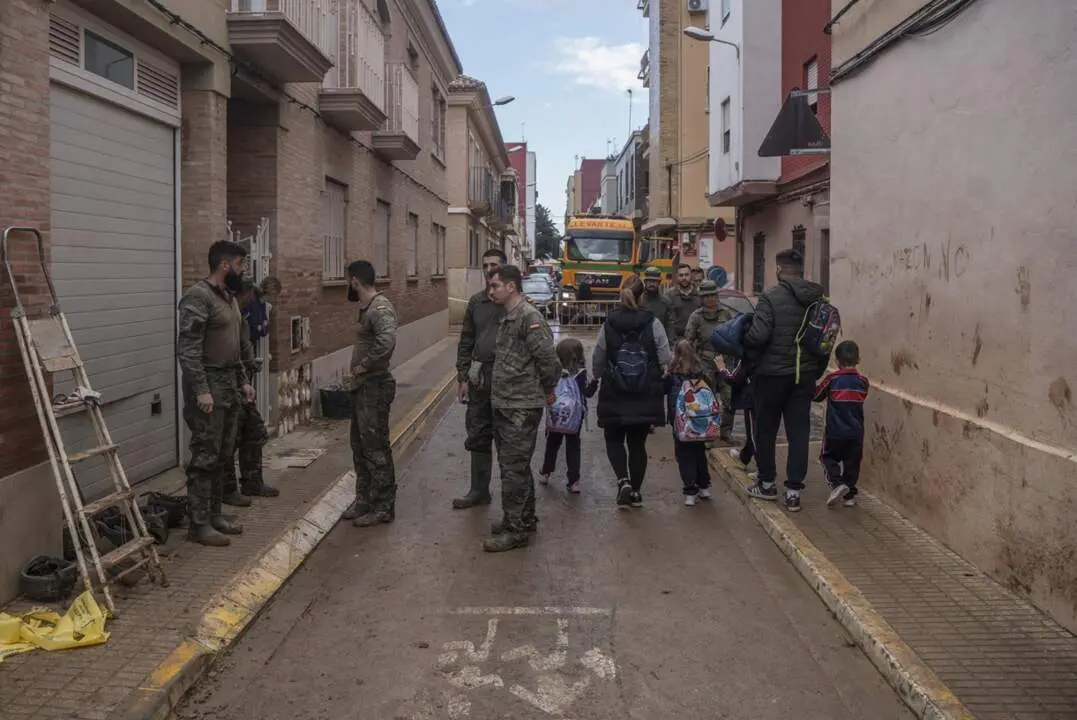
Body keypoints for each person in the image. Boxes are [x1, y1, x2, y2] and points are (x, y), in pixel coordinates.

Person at [177, 240, 255, 547]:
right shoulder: (197, 297)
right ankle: (198, 524)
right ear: (225, 265)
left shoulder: (229, 297)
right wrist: (201, 390)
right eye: (240, 264)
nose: (242, 269)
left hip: (229, 383)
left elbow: (235, 345)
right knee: (205, 456)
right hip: (208, 384)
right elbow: (188, 350)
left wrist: (244, 380)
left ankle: (215, 515)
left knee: (224, 454)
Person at [484, 265, 562, 552]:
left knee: (512, 470)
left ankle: (515, 531)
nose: (491, 291)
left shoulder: (529, 317)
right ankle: (523, 518)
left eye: (495, 286)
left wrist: (549, 390)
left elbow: (548, 360)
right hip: (506, 403)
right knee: (514, 466)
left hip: (520, 406)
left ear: (511, 287)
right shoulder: (509, 317)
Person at [742, 249, 827, 512]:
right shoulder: (817, 298)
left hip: (772, 376)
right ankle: (793, 491)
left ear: (779, 270)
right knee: (799, 433)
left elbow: (758, 336)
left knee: (766, 430)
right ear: (800, 270)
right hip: (804, 376)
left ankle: (767, 483)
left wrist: (744, 335)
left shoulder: (770, 297)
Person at [592, 281, 671, 509]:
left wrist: (596, 377)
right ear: (642, 298)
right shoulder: (652, 322)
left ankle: (622, 480)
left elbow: (598, 354)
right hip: (644, 391)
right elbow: (665, 355)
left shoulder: (609, 323)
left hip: (614, 391)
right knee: (638, 444)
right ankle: (635, 492)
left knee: (613, 439)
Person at [342, 260, 399, 527]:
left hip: (374, 386)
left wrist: (362, 368)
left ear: (355, 280)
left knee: (375, 448)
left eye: (348, 281)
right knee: (359, 446)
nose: (347, 286)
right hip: (362, 387)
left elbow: (386, 344)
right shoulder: (366, 309)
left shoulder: (381, 308)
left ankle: (382, 506)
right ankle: (363, 499)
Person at [452, 248, 507, 510]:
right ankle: (478, 491)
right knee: (478, 434)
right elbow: (466, 340)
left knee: (509, 440)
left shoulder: (513, 302)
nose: (488, 270)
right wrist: (463, 376)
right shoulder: (476, 303)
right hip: (479, 381)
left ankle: (513, 502)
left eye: (493, 265)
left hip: (507, 382)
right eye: (485, 265)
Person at [220, 280, 279, 503]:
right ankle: (228, 490)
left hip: (242, 384)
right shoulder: (226, 317)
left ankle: (252, 482)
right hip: (227, 386)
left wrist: (249, 366)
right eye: (247, 298)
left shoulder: (241, 318)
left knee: (254, 432)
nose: (250, 302)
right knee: (228, 439)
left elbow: (243, 348)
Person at [813, 340, 869, 508]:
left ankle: (837, 484)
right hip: (856, 432)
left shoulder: (832, 378)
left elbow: (817, 395)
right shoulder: (863, 381)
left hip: (835, 431)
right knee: (852, 464)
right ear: (859, 360)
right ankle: (850, 496)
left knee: (827, 457)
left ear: (836, 361)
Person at [538, 338, 594, 493]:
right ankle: (574, 480)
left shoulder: (554, 372)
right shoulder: (581, 374)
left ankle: (546, 472)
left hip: (557, 414)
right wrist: (595, 383)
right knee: (573, 446)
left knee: (552, 443)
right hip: (575, 417)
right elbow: (587, 394)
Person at [684, 280, 735, 441]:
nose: (709, 299)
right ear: (701, 298)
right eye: (705, 296)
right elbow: (688, 341)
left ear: (716, 295)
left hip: (724, 362)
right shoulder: (696, 317)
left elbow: (734, 336)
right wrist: (693, 363)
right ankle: (708, 433)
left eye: (712, 295)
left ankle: (726, 431)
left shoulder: (726, 314)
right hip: (704, 363)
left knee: (729, 397)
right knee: (707, 400)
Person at [665, 341, 713, 506]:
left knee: (684, 455)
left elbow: (662, 390)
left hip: (680, 422)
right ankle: (704, 486)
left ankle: (690, 490)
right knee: (699, 453)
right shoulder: (701, 374)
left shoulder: (672, 374)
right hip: (700, 421)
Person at [664, 263, 701, 342]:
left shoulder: (700, 295)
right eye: (681, 275)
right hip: (676, 341)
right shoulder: (670, 296)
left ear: (691, 275)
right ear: (677, 277)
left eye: (686, 275)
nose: (684, 278)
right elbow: (667, 321)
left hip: (696, 342)